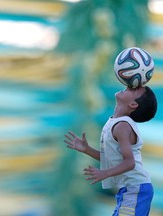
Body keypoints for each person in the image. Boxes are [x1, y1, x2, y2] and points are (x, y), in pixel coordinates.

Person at [64, 85, 157, 216]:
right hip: (129, 189)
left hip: (136, 189)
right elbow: (113, 159)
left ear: (133, 104)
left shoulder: (122, 126)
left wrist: (105, 173)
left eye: (134, 89)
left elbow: (130, 162)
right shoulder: (115, 122)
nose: (129, 86)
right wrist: (87, 149)